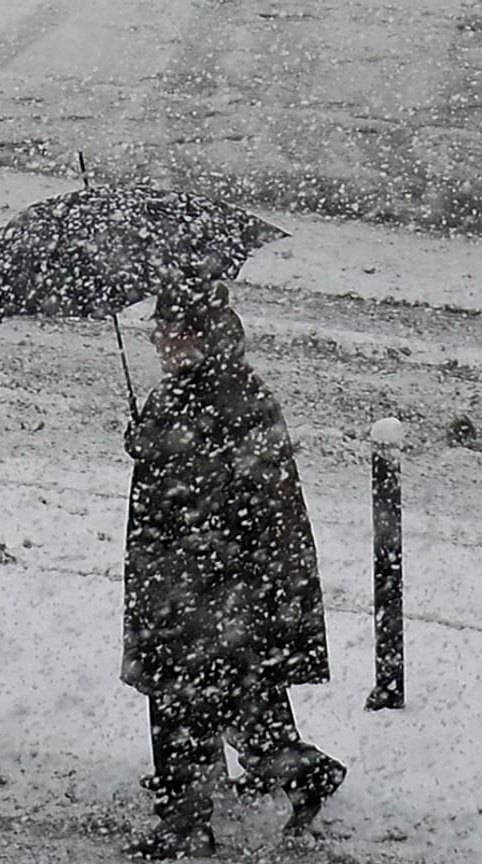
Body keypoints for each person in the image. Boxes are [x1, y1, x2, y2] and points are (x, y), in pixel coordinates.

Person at [120, 280, 345, 859]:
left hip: (201, 578)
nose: (156, 338)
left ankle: (186, 818)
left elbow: (197, 491)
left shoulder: (194, 397)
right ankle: (298, 769)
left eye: (165, 329)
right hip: (242, 575)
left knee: (181, 690)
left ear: (193, 335)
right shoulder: (235, 386)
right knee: (242, 682)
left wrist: (155, 446)